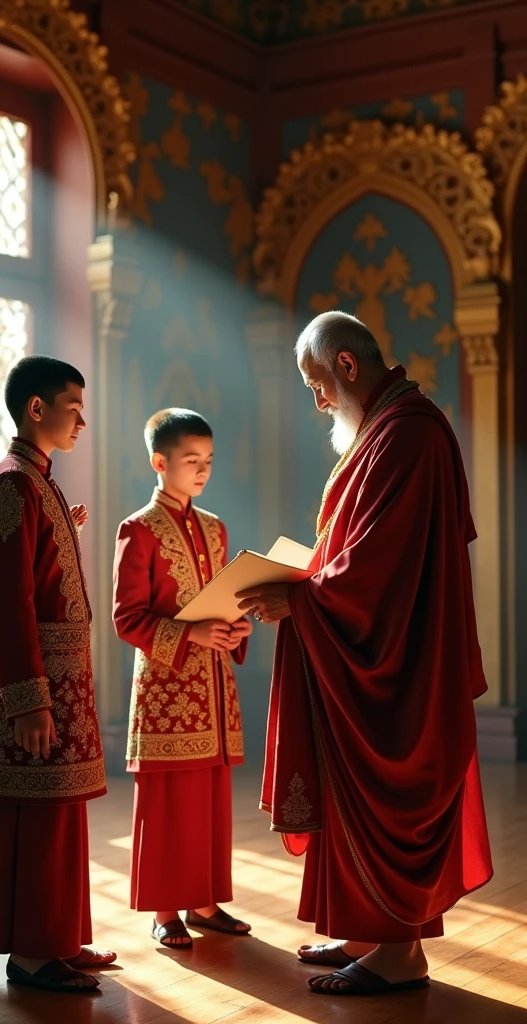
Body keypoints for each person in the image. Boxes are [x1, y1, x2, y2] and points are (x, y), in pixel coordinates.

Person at [238, 312, 493, 996]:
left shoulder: (407, 433)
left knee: (387, 795)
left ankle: (398, 954)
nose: (317, 400)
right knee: (345, 785)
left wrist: (301, 598)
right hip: (368, 645)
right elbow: (358, 550)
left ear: (347, 367)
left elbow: (383, 560)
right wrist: (309, 585)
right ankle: (367, 932)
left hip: (398, 660)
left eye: (318, 384)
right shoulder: (387, 429)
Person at [0, 355, 115, 993]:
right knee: (38, 816)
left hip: (64, 680)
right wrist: (28, 700)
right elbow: (7, 599)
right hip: (37, 685)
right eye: (73, 408)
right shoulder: (14, 485)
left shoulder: (39, 481)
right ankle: (32, 956)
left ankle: (57, 939)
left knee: (62, 814)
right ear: (38, 409)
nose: (82, 421)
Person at [113, 408, 253, 948]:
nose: (202, 471)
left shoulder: (215, 529)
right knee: (168, 803)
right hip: (165, 693)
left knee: (210, 800)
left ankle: (203, 902)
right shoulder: (138, 529)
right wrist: (191, 636)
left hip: (214, 689)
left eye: (208, 461)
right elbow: (127, 618)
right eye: (191, 461)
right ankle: (165, 911)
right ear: (159, 462)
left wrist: (236, 627)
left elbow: (222, 599)